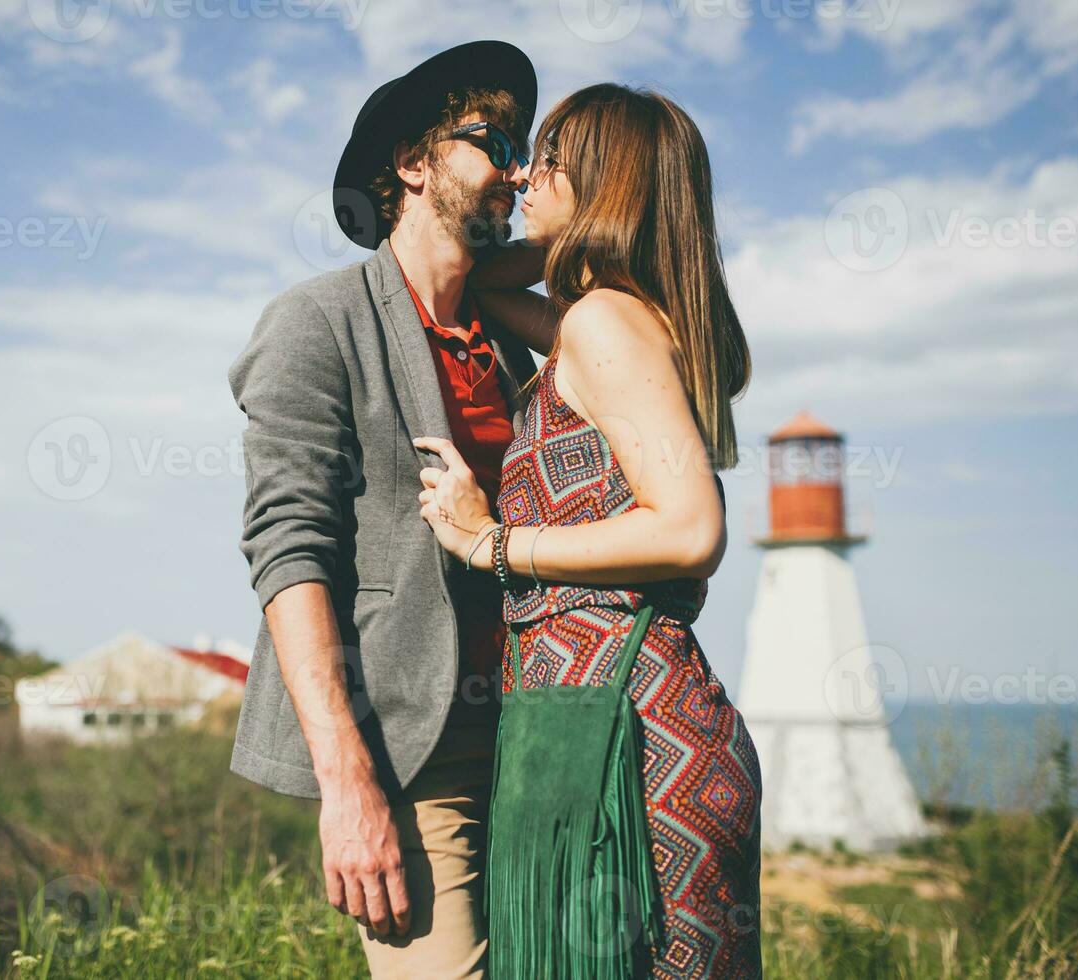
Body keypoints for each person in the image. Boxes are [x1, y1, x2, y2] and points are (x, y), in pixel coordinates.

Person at [414, 82, 764, 978]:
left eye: (552, 158)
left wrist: (491, 543)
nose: (525, 170)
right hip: (588, 719)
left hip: (629, 735)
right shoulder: (603, 323)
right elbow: (481, 280)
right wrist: (567, 226)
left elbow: (689, 528)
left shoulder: (607, 323)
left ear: (606, 183)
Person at [225, 40, 542, 978]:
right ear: (413, 162)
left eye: (523, 149)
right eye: (494, 142)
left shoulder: (513, 347)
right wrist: (347, 779)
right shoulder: (316, 321)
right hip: (410, 750)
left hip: (531, 735)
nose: (517, 170)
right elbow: (290, 548)